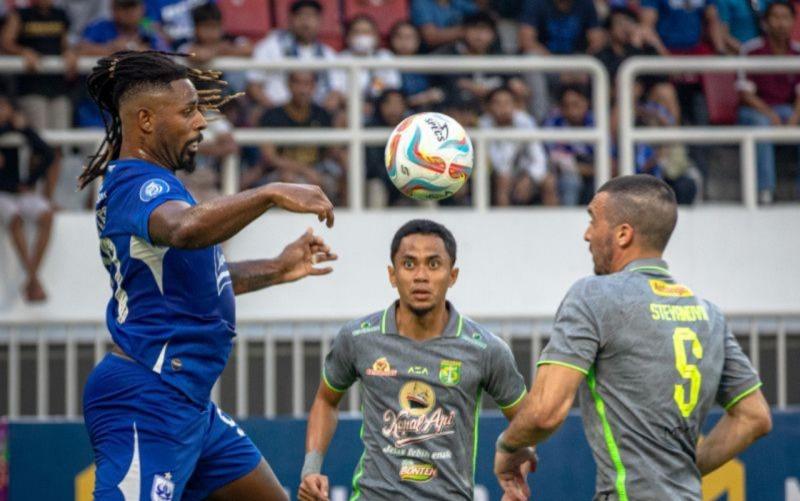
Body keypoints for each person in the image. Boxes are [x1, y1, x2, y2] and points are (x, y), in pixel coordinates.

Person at [79, 50, 337, 501]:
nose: (201, 121)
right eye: (188, 110)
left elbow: (197, 281)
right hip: (146, 397)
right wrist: (270, 191)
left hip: (189, 402)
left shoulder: (156, 186)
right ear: (145, 119)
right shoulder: (136, 185)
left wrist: (276, 269)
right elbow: (185, 228)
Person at [493, 175, 772, 500]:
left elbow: (545, 411)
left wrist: (509, 446)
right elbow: (755, 416)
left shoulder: (594, 296)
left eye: (593, 221)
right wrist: (680, 473)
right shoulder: (709, 314)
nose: (587, 234)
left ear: (623, 234)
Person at [299, 219, 527, 501]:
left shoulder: (485, 349)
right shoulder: (358, 338)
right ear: (392, 275)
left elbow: (526, 421)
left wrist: (516, 472)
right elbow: (325, 401)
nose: (421, 276)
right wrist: (310, 469)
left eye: (433, 264)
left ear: (452, 275)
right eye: (409, 264)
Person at [247, 71, 346, 206]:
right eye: (297, 83)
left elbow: (331, 151)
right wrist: (305, 170)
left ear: (314, 86)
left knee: (336, 176)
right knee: (287, 180)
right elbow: (270, 157)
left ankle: (341, 217)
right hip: (279, 172)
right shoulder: (272, 115)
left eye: (307, 84)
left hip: (318, 169)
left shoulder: (323, 115)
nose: (303, 90)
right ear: (288, 85)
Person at [736, 0, 800, 204]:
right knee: (761, 125)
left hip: (787, 110)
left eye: (785, 18)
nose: (780, 23)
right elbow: (746, 95)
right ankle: (765, 191)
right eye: (775, 17)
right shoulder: (751, 50)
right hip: (756, 111)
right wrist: (769, 114)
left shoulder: (798, 52)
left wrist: (795, 117)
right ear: (766, 21)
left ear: (793, 21)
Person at [0, 95, 57, 302]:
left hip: (20, 190)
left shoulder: (20, 131)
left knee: (47, 215)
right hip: (3, 193)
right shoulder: (10, 130)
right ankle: (34, 280)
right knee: (15, 218)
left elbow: (48, 153)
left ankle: (32, 278)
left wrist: (30, 180)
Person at [246, 0, 346, 115]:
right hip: (277, 114)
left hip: (315, 119)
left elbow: (336, 91)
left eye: (311, 16)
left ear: (320, 21)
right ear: (290, 19)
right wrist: (276, 113)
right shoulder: (269, 47)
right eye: (301, 16)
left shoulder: (328, 54)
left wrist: (322, 114)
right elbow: (254, 86)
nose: (306, 22)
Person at [0, 0, 77, 130]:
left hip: (57, 86)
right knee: (40, 136)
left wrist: (69, 53)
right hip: (31, 87)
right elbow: (5, 43)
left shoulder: (60, 14)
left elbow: (65, 44)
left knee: (62, 137)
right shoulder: (19, 14)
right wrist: (23, 51)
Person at [480, 86, 553, 206]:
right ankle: (503, 222)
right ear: (489, 108)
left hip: (524, 173)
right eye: (498, 103)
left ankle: (553, 222)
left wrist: (529, 178)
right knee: (503, 180)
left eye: (507, 103)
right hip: (496, 175)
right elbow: (498, 164)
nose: (503, 108)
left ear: (515, 105)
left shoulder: (525, 121)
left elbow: (539, 157)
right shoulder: (484, 125)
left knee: (548, 181)